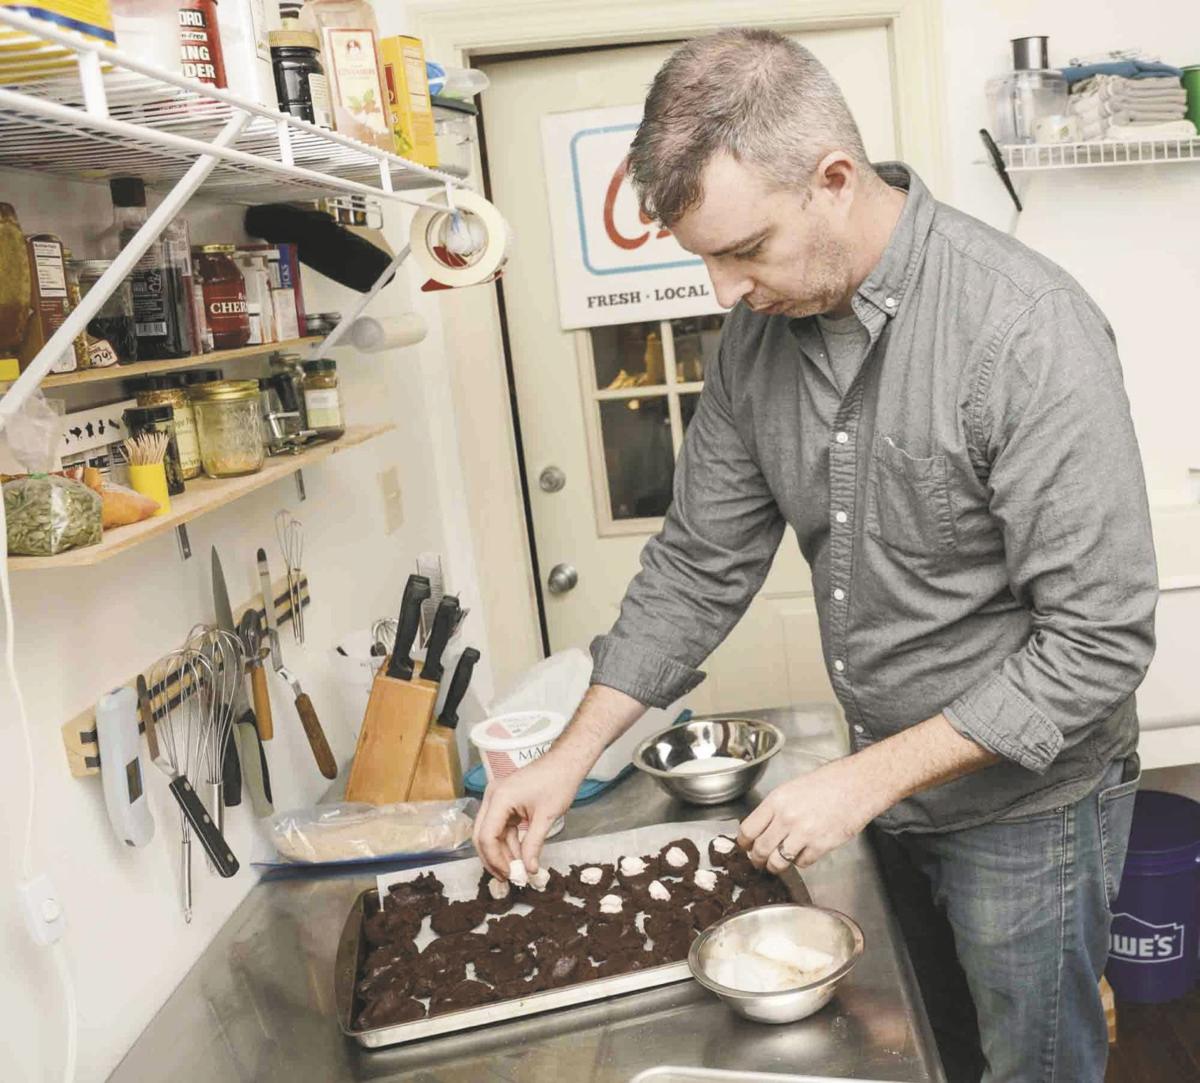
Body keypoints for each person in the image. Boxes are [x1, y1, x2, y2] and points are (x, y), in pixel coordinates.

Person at [474, 28, 1157, 1083]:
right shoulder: (758, 339)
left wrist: (860, 781)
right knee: (934, 1047)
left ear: (836, 180)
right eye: (705, 258)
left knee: (1033, 1064)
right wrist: (565, 759)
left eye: (745, 250)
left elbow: (1099, 644)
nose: (723, 291)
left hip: (1028, 810)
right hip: (886, 794)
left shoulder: (1025, 331)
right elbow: (701, 563)